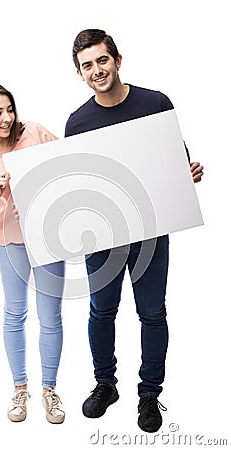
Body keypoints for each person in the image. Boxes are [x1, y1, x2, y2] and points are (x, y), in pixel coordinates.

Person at [65, 29, 204, 433]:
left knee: (152, 312)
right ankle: (106, 385)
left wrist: (187, 173)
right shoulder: (78, 122)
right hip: (103, 235)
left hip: (150, 230)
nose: (97, 70)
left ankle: (149, 395)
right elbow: (79, 181)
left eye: (102, 60)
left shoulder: (155, 102)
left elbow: (176, 158)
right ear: (80, 73)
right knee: (100, 311)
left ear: (118, 60)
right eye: (87, 65)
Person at [0, 82, 65, 424]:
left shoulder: (33, 132)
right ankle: (20, 390)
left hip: (49, 239)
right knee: (14, 314)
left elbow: (71, 165)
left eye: (9, 109)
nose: (7, 118)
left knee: (50, 316)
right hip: (10, 244)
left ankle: (50, 390)